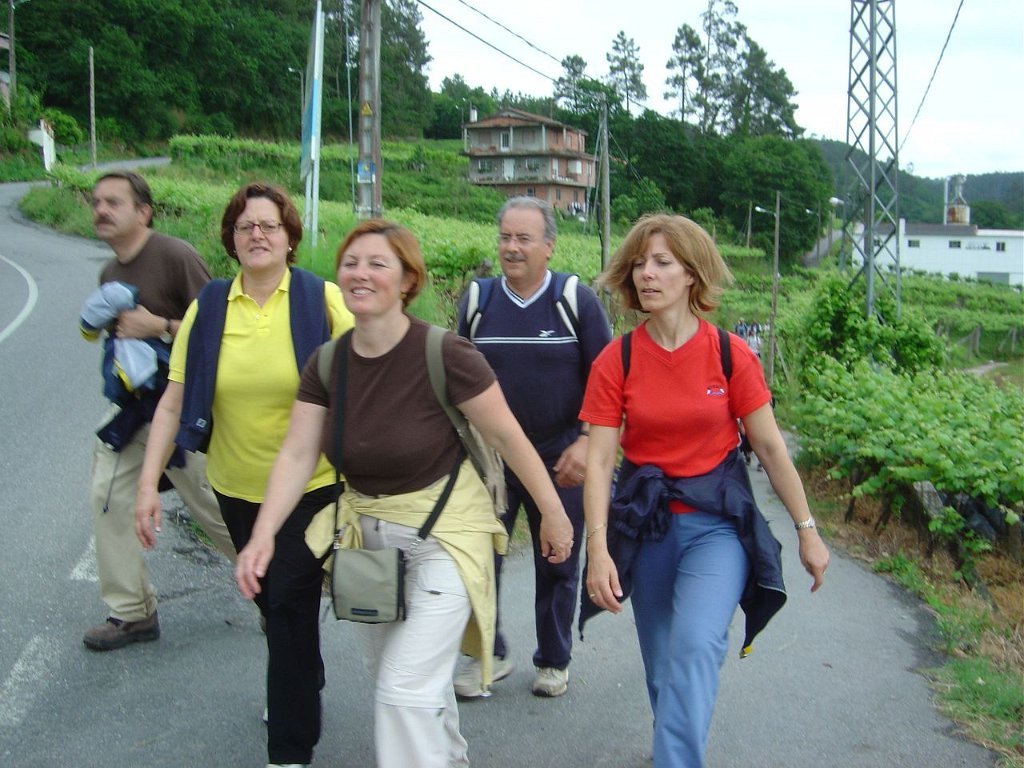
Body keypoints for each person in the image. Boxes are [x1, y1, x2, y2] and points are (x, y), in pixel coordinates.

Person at [234, 219, 574, 768]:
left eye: (378, 264)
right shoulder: (328, 363)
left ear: (407, 280)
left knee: (402, 689)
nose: (360, 273)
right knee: (401, 679)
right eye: (351, 263)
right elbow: (297, 455)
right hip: (368, 540)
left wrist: (553, 513)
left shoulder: (445, 354)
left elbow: (509, 437)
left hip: (448, 536)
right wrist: (263, 536)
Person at [579, 214, 830, 767]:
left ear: (692, 274)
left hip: (716, 528)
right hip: (647, 528)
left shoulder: (730, 354)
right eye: (639, 264)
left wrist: (807, 531)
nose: (647, 274)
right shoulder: (617, 359)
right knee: (662, 668)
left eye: (662, 262)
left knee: (695, 646)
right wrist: (597, 549)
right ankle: (675, 745)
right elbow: (598, 461)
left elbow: (770, 448)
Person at [134, 182, 353, 768]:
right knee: (273, 602)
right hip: (235, 488)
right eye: (245, 226)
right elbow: (173, 402)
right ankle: (302, 670)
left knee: (286, 602)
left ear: (289, 238)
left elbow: (373, 368)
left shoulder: (322, 300)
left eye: (269, 225)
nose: (257, 235)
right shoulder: (208, 308)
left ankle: (289, 748)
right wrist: (147, 486)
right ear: (231, 240)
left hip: (313, 486)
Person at [454, 196, 611, 699]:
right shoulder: (478, 300)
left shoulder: (573, 300)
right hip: (489, 462)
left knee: (558, 559)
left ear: (549, 246)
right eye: (505, 237)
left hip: (560, 457)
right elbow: (455, 375)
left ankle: (554, 659)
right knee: (479, 558)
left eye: (524, 238)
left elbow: (608, 382)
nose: (512, 247)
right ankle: (488, 654)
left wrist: (586, 441)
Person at [82, 171, 235, 652]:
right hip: (135, 413)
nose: (101, 210)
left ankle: (279, 592)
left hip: (185, 415)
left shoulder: (175, 256)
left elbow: (224, 328)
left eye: (114, 202)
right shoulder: (110, 273)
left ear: (144, 212)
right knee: (107, 496)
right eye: (96, 202)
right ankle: (132, 612)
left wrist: (162, 326)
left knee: (217, 513)